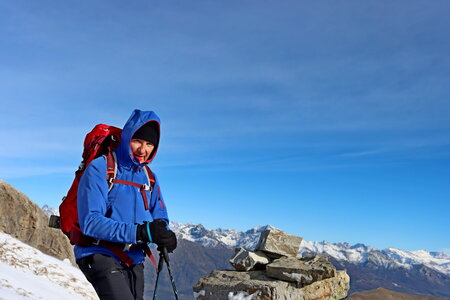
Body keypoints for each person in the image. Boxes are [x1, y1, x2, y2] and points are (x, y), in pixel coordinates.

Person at [75, 109, 177, 300]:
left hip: (134, 257)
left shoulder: (149, 177)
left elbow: (159, 216)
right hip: (99, 253)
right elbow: (91, 222)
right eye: (137, 141)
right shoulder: (101, 168)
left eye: (149, 144)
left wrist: (164, 233)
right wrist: (140, 232)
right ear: (127, 137)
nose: (143, 149)